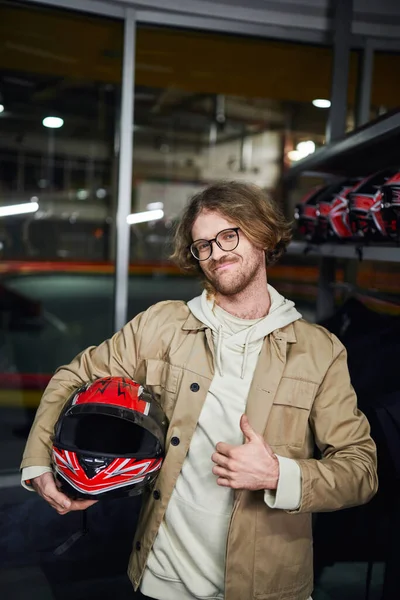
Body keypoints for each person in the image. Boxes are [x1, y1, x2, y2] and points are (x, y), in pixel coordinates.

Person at [21, 181, 378, 600]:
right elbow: (73, 376)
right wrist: (37, 465)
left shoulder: (319, 350)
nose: (216, 253)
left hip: (267, 588)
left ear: (263, 234)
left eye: (230, 235)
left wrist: (280, 474)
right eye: (203, 245)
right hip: (162, 578)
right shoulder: (162, 325)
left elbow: (361, 469)